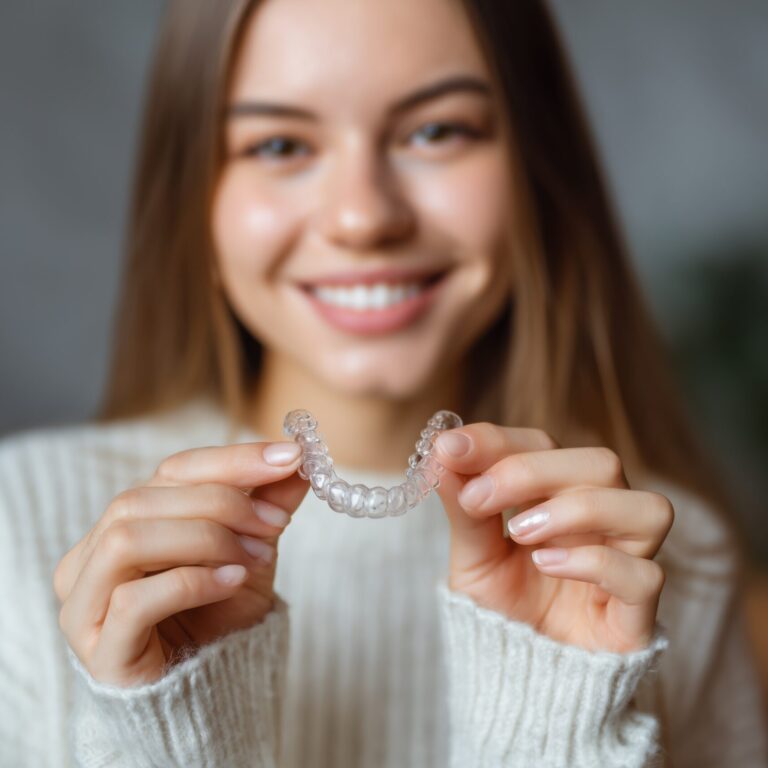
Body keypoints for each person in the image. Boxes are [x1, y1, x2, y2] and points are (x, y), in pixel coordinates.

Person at [1, 0, 766, 765]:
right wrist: (163, 732)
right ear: (196, 202)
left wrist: (559, 719)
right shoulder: (21, 526)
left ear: (537, 171)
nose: (364, 216)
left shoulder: (668, 563)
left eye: (436, 131)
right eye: (278, 144)